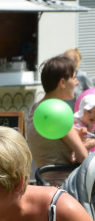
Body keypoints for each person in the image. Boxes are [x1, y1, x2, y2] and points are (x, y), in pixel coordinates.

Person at [26, 55, 95, 185]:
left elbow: (53, 150)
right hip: (68, 187)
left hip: (46, 184)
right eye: (74, 77)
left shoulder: (36, 109)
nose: (77, 82)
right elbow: (83, 157)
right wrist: (90, 144)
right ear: (62, 83)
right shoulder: (58, 113)